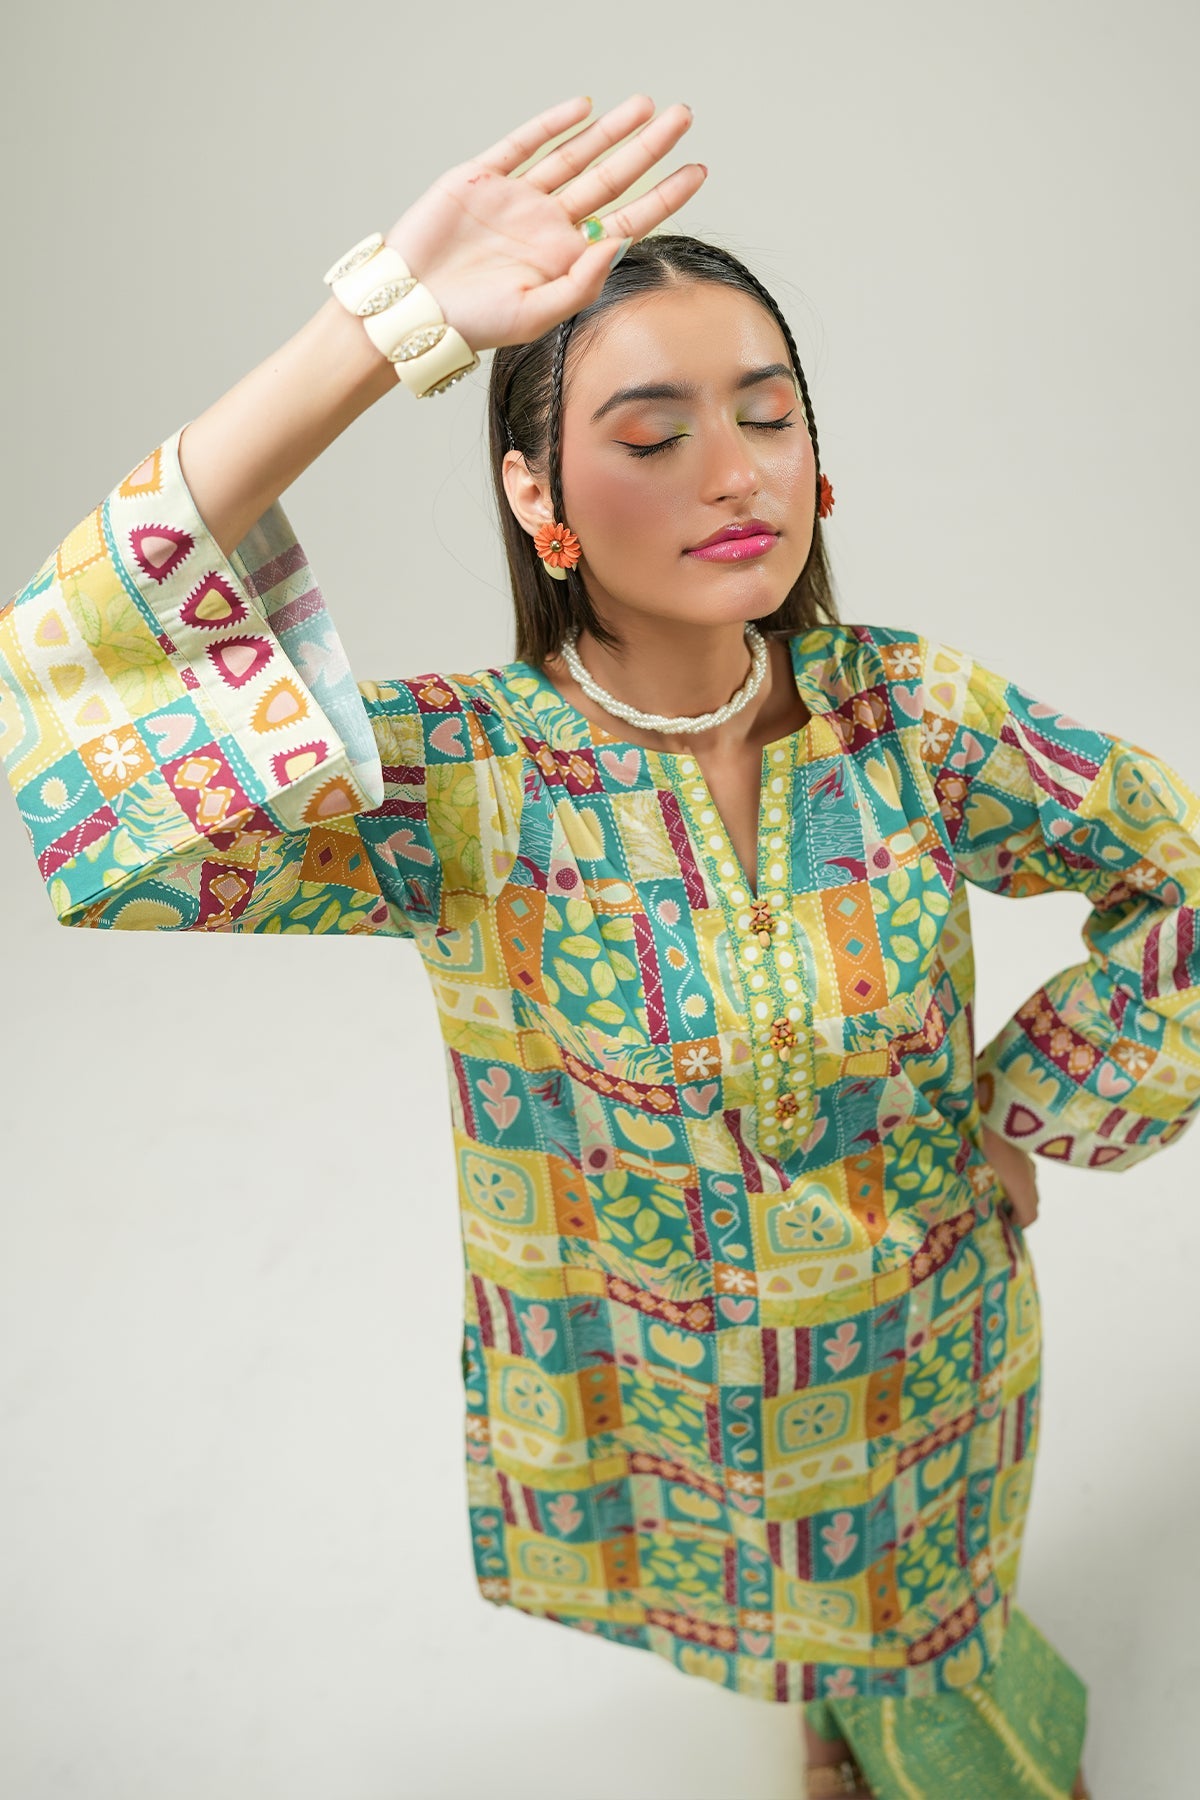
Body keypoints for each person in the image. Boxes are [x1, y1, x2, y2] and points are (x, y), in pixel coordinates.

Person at [2, 90, 1196, 1800]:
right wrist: (369, 334)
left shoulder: (910, 719)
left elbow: (1180, 873)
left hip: (930, 1359)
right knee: (803, 1624)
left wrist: (1026, 1109)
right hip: (670, 1396)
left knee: (950, 1677)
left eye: (768, 416)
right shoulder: (469, 784)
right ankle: (831, 1706)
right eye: (651, 436)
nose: (733, 472)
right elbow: (99, 745)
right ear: (537, 491)